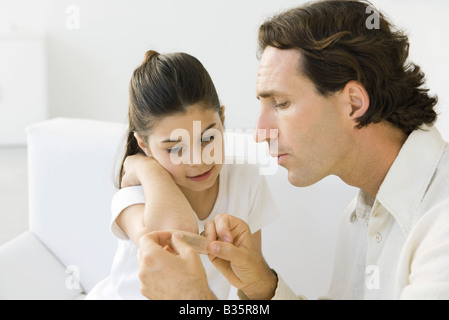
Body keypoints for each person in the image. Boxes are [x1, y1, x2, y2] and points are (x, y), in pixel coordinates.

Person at [137, 0, 449, 300]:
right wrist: (262, 286)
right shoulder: (360, 217)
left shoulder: (440, 222)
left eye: (281, 104)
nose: (260, 134)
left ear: (353, 102)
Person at [86, 50, 279, 299]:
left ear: (222, 117)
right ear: (144, 145)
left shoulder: (246, 180)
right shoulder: (134, 196)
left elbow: (250, 280)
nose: (198, 160)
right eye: (175, 148)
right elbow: (176, 233)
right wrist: (147, 168)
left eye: (208, 138)